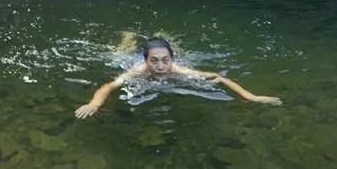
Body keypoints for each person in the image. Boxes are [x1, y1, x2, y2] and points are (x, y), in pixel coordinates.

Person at [74, 37, 281, 118]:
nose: (161, 66)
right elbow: (108, 86)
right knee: (118, 54)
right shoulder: (137, 71)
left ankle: (167, 40)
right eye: (154, 61)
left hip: (169, 55)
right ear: (146, 61)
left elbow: (219, 78)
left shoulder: (179, 70)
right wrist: (95, 103)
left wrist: (251, 97)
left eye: (165, 60)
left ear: (171, 60)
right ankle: (127, 38)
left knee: (171, 49)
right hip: (131, 59)